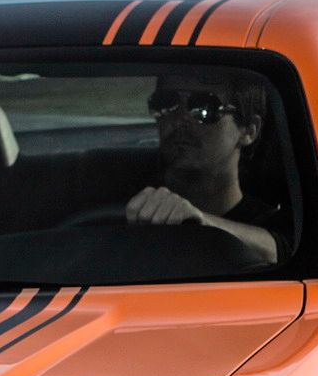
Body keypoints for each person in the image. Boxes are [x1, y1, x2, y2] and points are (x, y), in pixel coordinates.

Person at [120, 74, 280, 265]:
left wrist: (199, 222)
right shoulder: (127, 208)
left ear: (249, 130)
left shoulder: (275, 226)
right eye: (165, 103)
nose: (179, 118)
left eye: (205, 108)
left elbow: (281, 252)